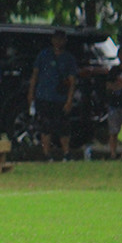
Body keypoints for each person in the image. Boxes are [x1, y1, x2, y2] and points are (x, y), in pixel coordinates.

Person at [27, 30, 77, 161]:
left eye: (61, 39)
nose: (58, 42)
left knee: (64, 127)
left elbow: (72, 82)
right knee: (45, 126)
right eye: (56, 39)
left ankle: (66, 153)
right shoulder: (44, 55)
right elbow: (35, 75)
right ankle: (46, 154)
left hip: (60, 97)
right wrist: (31, 93)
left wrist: (69, 100)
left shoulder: (69, 58)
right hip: (43, 96)